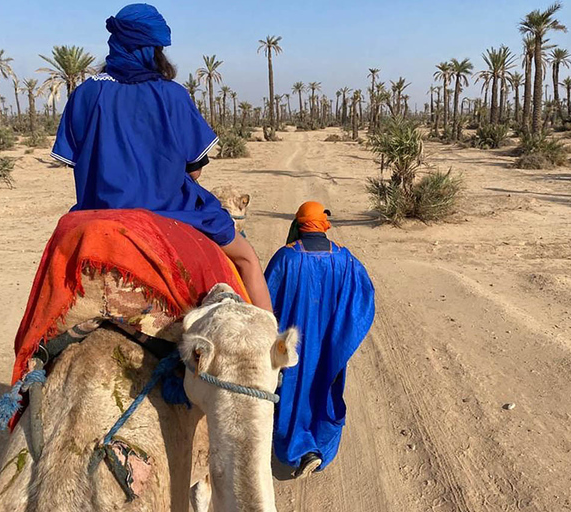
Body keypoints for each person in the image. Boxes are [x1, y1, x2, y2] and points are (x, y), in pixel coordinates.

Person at [50, 4, 271, 311]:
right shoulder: (172, 95)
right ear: (154, 50)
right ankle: (273, 351)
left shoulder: (84, 94)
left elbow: (74, 162)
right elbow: (194, 173)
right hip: (169, 215)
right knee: (247, 260)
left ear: (115, 44)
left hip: (99, 216)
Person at [265, 202, 375, 477]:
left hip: (292, 346)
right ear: (324, 224)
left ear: (298, 224)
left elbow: (265, 301)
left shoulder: (286, 258)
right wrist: (342, 339)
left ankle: (298, 450)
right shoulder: (344, 258)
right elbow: (364, 299)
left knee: (290, 391)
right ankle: (317, 449)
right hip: (328, 346)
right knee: (324, 389)